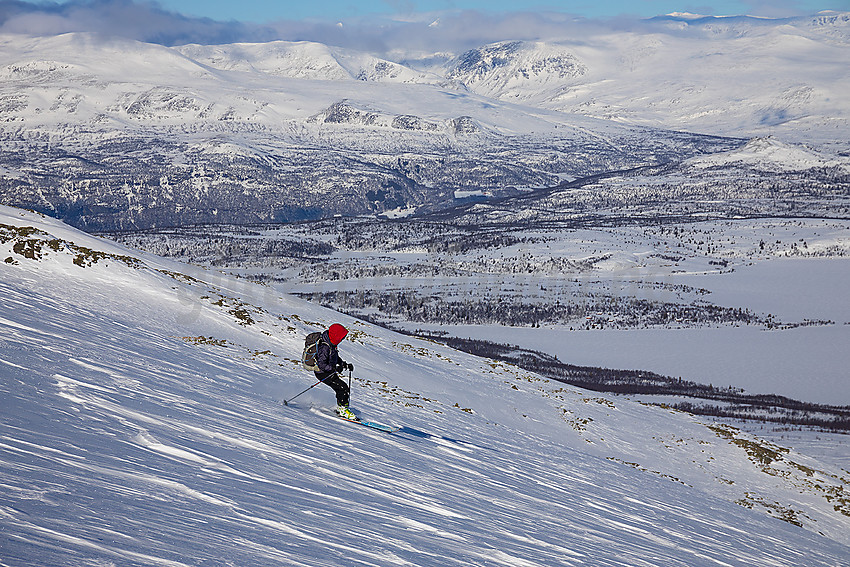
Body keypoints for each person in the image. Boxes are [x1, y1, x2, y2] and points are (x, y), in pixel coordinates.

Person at [315, 323, 356, 420]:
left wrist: (344, 364)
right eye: (341, 338)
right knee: (342, 387)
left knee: (342, 388)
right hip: (322, 373)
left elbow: (334, 357)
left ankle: (341, 408)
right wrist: (333, 369)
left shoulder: (331, 344)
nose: (342, 340)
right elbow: (321, 364)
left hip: (328, 371)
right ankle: (342, 410)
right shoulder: (325, 347)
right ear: (336, 336)